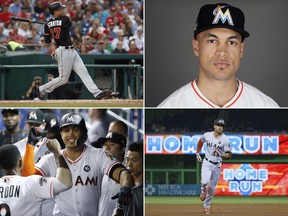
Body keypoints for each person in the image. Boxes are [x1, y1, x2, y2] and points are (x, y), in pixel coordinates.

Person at [158, 3, 279, 108]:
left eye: (231, 42)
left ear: (241, 49)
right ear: (196, 47)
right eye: (212, 41)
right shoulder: (170, 106)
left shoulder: (267, 106)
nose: (222, 52)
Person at [26, 112, 134, 215]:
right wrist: (30, 146)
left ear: (83, 132)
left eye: (76, 130)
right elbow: (27, 181)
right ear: (61, 134)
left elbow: (123, 173)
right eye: (66, 130)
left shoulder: (98, 155)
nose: (71, 134)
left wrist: (125, 189)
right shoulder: (49, 159)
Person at [37, 1, 112, 100]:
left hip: (71, 51)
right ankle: (42, 89)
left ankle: (96, 93)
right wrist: (55, 24)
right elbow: (68, 25)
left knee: (83, 72)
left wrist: (50, 25)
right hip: (63, 51)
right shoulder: (65, 19)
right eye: (60, 9)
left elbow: (47, 40)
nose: (62, 10)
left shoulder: (47, 25)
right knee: (63, 79)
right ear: (55, 11)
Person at [0, 140, 72, 215]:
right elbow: (65, 183)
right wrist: (57, 153)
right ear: (21, 162)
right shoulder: (31, 183)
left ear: (0, 167)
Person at [196, 118, 232, 214]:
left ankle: (206, 206)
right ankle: (203, 191)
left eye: (222, 126)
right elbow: (200, 141)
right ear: (214, 126)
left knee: (212, 188)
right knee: (204, 181)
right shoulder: (207, 135)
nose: (220, 127)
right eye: (219, 125)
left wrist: (220, 154)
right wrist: (197, 152)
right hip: (207, 162)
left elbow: (228, 155)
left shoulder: (225, 140)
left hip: (217, 165)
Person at [97, 131, 127, 216]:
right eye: (105, 144)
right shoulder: (97, 167)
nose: (107, 147)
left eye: (112, 144)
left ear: (122, 149)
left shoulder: (128, 171)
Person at [112, 142, 143, 216]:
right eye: (127, 160)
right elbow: (119, 211)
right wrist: (119, 204)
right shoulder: (126, 186)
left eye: (134, 160)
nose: (129, 164)